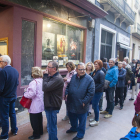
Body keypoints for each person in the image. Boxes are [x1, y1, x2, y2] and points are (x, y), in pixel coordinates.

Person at [65, 63, 95, 140]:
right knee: (72, 118)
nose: (82, 71)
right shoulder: (74, 77)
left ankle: (80, 135)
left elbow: (91, 93)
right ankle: (74, 128)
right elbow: (68, 86)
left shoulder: (89, 79)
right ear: (76, 70)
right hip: (71, 102)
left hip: (81, 104)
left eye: (83, 69)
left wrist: (84, 102)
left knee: (82, 121)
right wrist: (66, 93)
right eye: (80, 69)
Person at [43, 61, 64, 140]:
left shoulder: (57, 78)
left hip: (52, 105)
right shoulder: (52, 77)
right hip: (50, 104)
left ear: (54, 69)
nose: (46, 68)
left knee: (51, 126)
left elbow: (45, 87)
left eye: (49, 67)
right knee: (50, 125)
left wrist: (45, 75)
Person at [0, 55, 19, 140]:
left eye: (0, 62)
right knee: (12, 114)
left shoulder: (3, 72)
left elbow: (1, 88)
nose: (0, 64)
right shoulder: (15, 71)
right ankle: (14, 130)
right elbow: (17, 83)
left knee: (4, 116)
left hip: (5, 98)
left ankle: (4, 135)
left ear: (5, 63)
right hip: (13, 96)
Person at [24, 67, 44, 139]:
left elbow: (32, 94)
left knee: (34, 120)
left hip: (34, 104)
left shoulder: (33, 82)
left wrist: (25, 94)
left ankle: (36, 134)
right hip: (40, 102)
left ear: (33, 73)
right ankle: (40, 131)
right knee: (39, 118)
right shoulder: (42, 81)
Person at [89, 60, 105, 127]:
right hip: (94, 91)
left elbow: (102, 84)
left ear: (100, 65)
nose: (95, 65)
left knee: (95, 105)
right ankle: (95, 118)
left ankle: (97, 120)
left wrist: (94, 88)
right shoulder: (95, 72)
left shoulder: (101, 73)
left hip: (98, 91)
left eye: (97, 64)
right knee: (94, 105)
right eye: (95, 64)